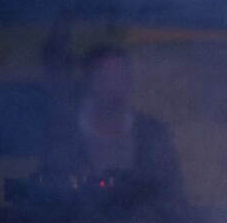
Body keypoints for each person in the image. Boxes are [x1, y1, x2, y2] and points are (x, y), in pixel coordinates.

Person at [33, 43, 186, 213]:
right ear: (89, 81)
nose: (115, 87)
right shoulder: (64, 134)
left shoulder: (151, 134)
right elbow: (46, 198)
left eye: (122, 77)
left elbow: (174, 197)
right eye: (106, 77)